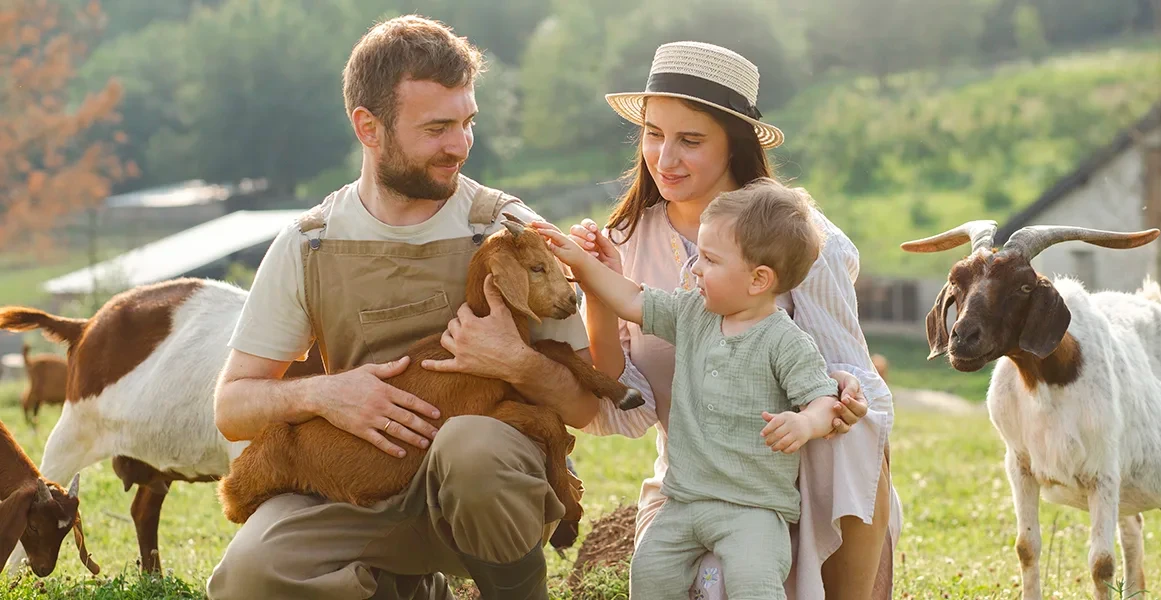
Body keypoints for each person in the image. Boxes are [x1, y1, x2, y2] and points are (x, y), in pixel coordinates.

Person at [206, 15, 602, 600]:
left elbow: (585, 406)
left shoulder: (508, 232)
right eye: (437, 128)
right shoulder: (308, 244)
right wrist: (322, 393)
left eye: (467, 122)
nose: (460, 145)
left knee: (472, 451)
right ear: (369, 127)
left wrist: (515, 363)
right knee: (248, 575)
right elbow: (232, 407)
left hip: (488, 488)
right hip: (358, 484)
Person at [556, 41, 902, 599]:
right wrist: (598, 293)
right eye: (653, 134)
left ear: (733, 147)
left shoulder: (805, 243)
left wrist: (840, 398)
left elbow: (861, 396)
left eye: (690, 141)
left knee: (851, 438)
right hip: (691, 482)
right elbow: (621, 413)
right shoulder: (626, 242)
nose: (664, 159)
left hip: (792, 479)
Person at [537, 179, 850, 598]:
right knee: (648, 574)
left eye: (709, 259)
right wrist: (581, 263)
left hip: (752, 508)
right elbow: (629, 299)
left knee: (754, 583)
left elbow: (825, 399)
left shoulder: (786, 341)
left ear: (758, 280)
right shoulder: (691, 313)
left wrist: (805, 422)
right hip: (683, 500)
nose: (695, 268)